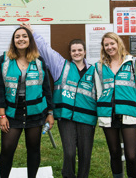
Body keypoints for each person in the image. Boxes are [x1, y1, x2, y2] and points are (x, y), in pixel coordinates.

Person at [21, 23, 97, 178]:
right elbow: (46, 50)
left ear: (85, 52)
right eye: (74, 50)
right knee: (69, 152)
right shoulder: (61, 66)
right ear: (70, 52)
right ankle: (68, 175)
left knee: (85, 154)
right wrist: (32, 33)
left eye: (79, 50)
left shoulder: (94, 71)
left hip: (87, 118)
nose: (77, 53)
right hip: (65, 117)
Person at [0, 27, 54, 178]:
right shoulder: (4, 60)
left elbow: (46, 89)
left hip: (35, 112)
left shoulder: (39, 61)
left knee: (34, 149)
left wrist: (50, 113)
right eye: (17, 37)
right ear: (13, 41)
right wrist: (2, 115)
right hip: (12, 112)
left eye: (24, 36)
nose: (21, 39)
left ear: (30, 40)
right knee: (7, 149)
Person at [95, 32, 136, 178]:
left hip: (129, 115)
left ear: (118, 44)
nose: (109, 47)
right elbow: (99, 94)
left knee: (131, 156)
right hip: (108, 117)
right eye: (106, 45)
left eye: (112, 43)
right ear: (103, 47)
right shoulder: (99, 67)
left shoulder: (132, 63)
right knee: (114, 154)